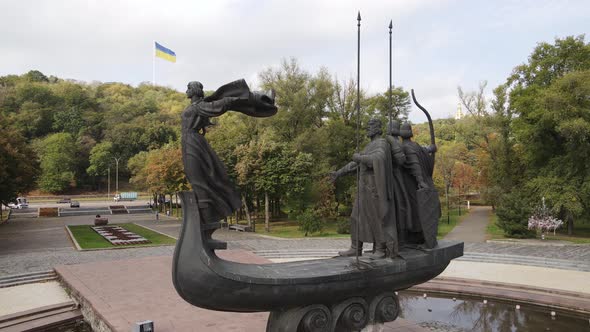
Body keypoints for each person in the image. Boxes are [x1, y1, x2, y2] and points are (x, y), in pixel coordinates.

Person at [182, 79, 277, 224]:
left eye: (188, 88)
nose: (186, 91)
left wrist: (247, 98)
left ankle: (208, 220)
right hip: (189, 142)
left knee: (198, 180)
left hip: (193, 143)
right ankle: (206, 220)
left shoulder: (199, 107)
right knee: (195, 178)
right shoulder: (197, 106)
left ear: (194, 90)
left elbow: (224, 103)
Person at [331, 118, 397, 259]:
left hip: (375, 188)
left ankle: (380, 249)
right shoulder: (369, 146)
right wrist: (338, 173)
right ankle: (355, 248)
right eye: (367, 126)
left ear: (378, 129)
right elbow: (354, 164)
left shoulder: (382, 143)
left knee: (377, 218)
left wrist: (360, 158)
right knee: (355, 217)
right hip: (363, 189)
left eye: (371, 126)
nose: (368, 128)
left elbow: (378, 159)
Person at [400, 122, 440, 248]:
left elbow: (414, 164)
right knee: (420, 210)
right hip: (424, 182)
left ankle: (420, 238)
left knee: (418, 210)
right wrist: (431, 148)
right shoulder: (416, 145)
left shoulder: (405, 147)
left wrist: (420, 181)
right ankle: (420, 237)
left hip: (416, 185)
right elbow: (425, 150)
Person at [385, 120, 412, 246]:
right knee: (396, 207)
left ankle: (401, 238)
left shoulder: (395, 143)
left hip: (396, 178)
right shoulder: (391, 143)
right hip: (391, 178)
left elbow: (401, 160)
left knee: (399, 206)